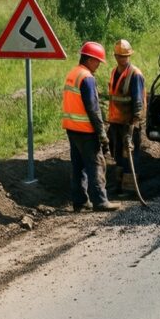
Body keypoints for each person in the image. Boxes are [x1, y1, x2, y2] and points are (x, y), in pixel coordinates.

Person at [61, 42, 120, 212]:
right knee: (96, 164)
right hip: (86, 130)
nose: (99, 65)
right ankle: (100, 201)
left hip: (71, 128)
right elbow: (93, 109)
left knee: (78, 166)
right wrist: (102, 134)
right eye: (98, 62)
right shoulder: (87, 78)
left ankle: (79, 201)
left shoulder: (73, 73)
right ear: (89, 59)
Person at [107, 39, 146, 199]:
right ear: (115, 56)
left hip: (129, 123)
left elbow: (138, 103)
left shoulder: (135, 75)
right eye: (120, 56)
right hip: (116, 122)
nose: (122, 59)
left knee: (129, 154)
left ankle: (130, 190)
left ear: (129, 56)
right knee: (117, 154)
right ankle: (118, 185)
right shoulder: (114, 72)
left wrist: (133, 126)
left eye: (125, 56)